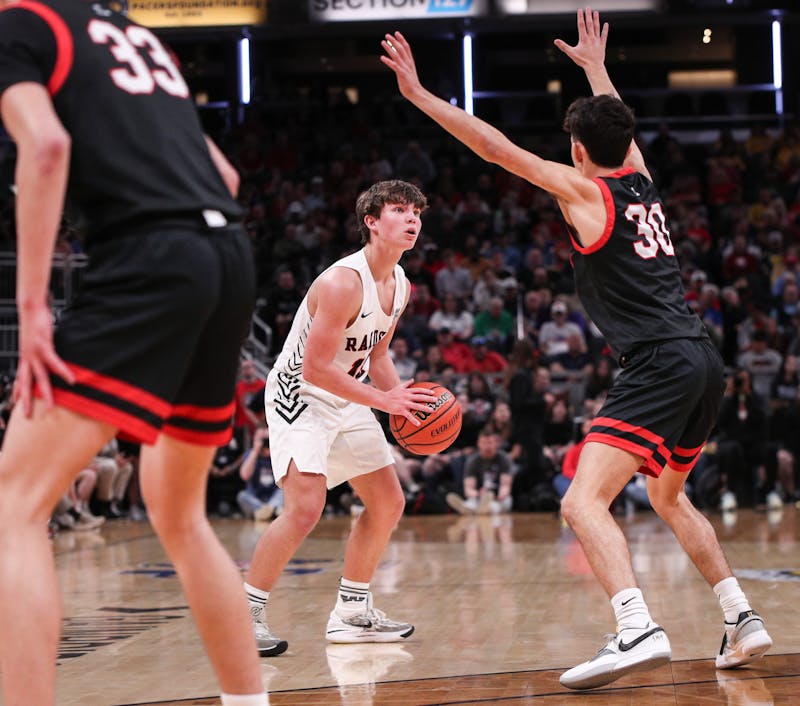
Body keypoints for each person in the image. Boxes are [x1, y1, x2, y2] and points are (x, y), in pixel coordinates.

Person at [381, 8, 772, 691]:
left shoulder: (586, 191)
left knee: (581, 503)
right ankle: (740, 617)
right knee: (669, 496)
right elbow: (616, 121)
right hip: (702, 357)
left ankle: (634, 627)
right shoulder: (641, 177)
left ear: (580, 153)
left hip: (657, 361)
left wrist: (418, 96)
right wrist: (594, 70)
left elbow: (496, 148)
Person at [0, 2, 266, 704]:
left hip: (151, 258)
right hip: (229, 256)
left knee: (13, 506)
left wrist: (31, 306)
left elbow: (47, 147)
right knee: (179, 513)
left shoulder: (21, 26)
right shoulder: (131, 34)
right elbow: (227, 177)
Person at [244, 180, 437, 656]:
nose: (412, 218)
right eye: (399, 209)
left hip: (348, 392)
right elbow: (315, 368)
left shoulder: (401, 284)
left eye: (417, 211)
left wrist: (403, 401)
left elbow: (377, 356)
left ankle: (352, 612)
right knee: (305, 508)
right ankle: (243, 616)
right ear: (372, 222)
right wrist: (384, 402)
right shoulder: (341, 282)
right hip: (301, 392)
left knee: (388, 501)